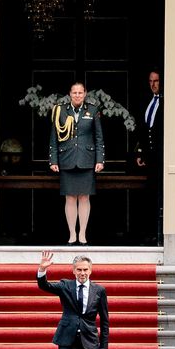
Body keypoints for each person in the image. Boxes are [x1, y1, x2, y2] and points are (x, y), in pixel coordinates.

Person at [37, 251, 109, 349]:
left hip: (89, 342)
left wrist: (103, 348)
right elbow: (44, 286)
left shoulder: (99, 290)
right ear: (73, 271)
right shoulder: (65, 285)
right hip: (66, 341)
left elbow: (105, 321)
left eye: (85, 270)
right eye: (79, 270)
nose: (82, 273)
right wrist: (42, 270)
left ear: (90, 270)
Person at [48, 81, 105, 244]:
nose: (78, 95)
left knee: (85, 198)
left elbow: (99, 137)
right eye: (75, 93)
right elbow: (54, 137)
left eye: (80, 93)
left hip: (87, 159)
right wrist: (53, 159)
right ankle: (72, 234)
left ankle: (83, 234)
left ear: (85, 94)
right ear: (70, 94)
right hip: (67, 158)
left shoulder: (92, 110)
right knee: (70, 198)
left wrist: (100, 159)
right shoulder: (61, 111)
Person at [133, 71, 163, 242]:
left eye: (156, 81)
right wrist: (140, 152)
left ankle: (157, 233)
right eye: (150, 81)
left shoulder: (166, 101)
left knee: (160, 192)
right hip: (149, 156)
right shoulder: (147, 101)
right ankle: (148, 232)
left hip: (161, 155)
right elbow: (143, 130)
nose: (153, 84)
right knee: (149, 192)